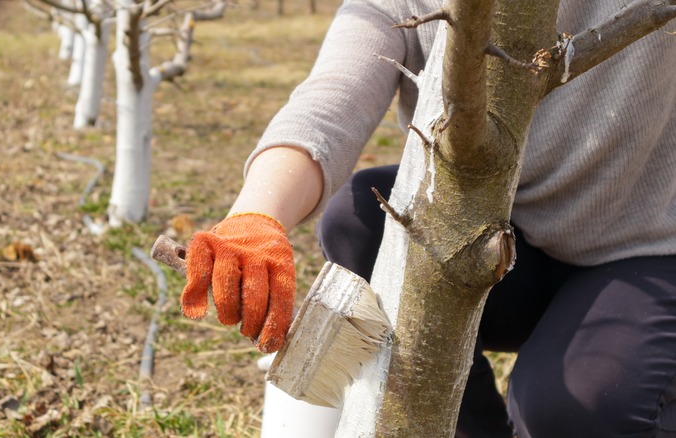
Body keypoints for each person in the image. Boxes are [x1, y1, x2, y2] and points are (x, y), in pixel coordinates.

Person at [177, 0, 676, 436]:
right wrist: (256, 217)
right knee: (357, 220)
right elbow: (331, 99)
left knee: (575, 412)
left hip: (646, 247)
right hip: (505, 239)